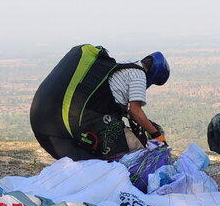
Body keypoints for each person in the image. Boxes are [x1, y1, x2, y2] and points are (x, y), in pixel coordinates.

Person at [29, 45, 170, 160]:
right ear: (153, 76)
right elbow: (135, 111)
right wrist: (156, 135)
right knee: (138, 153)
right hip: (97, 119)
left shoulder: (128, 65)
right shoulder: (139, 75)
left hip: (85, 115)